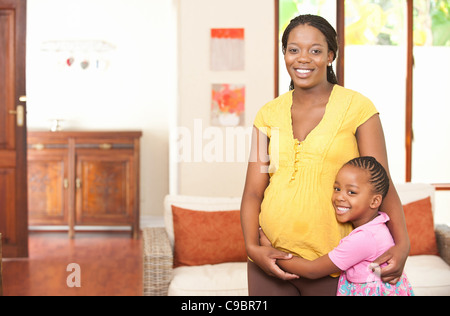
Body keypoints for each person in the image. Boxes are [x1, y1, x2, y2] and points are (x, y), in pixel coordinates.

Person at [240, 14, 410, 296]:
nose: (303, 59)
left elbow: (382, 182)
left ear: (331, 55)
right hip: (268, 260)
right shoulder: (267, 114)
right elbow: (253, 193)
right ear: (284, 54)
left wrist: (403, 243)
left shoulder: (357, 108)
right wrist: (252, 248)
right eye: (293, 49)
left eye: (315, 50)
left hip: (333, 263)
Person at [259, 157, 415, 296]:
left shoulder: (364, 238)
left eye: (351, 192)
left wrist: (271, 253)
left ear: (374, 201)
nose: (340, 197)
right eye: (337, 189)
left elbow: (312, 270)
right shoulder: (377, 226)